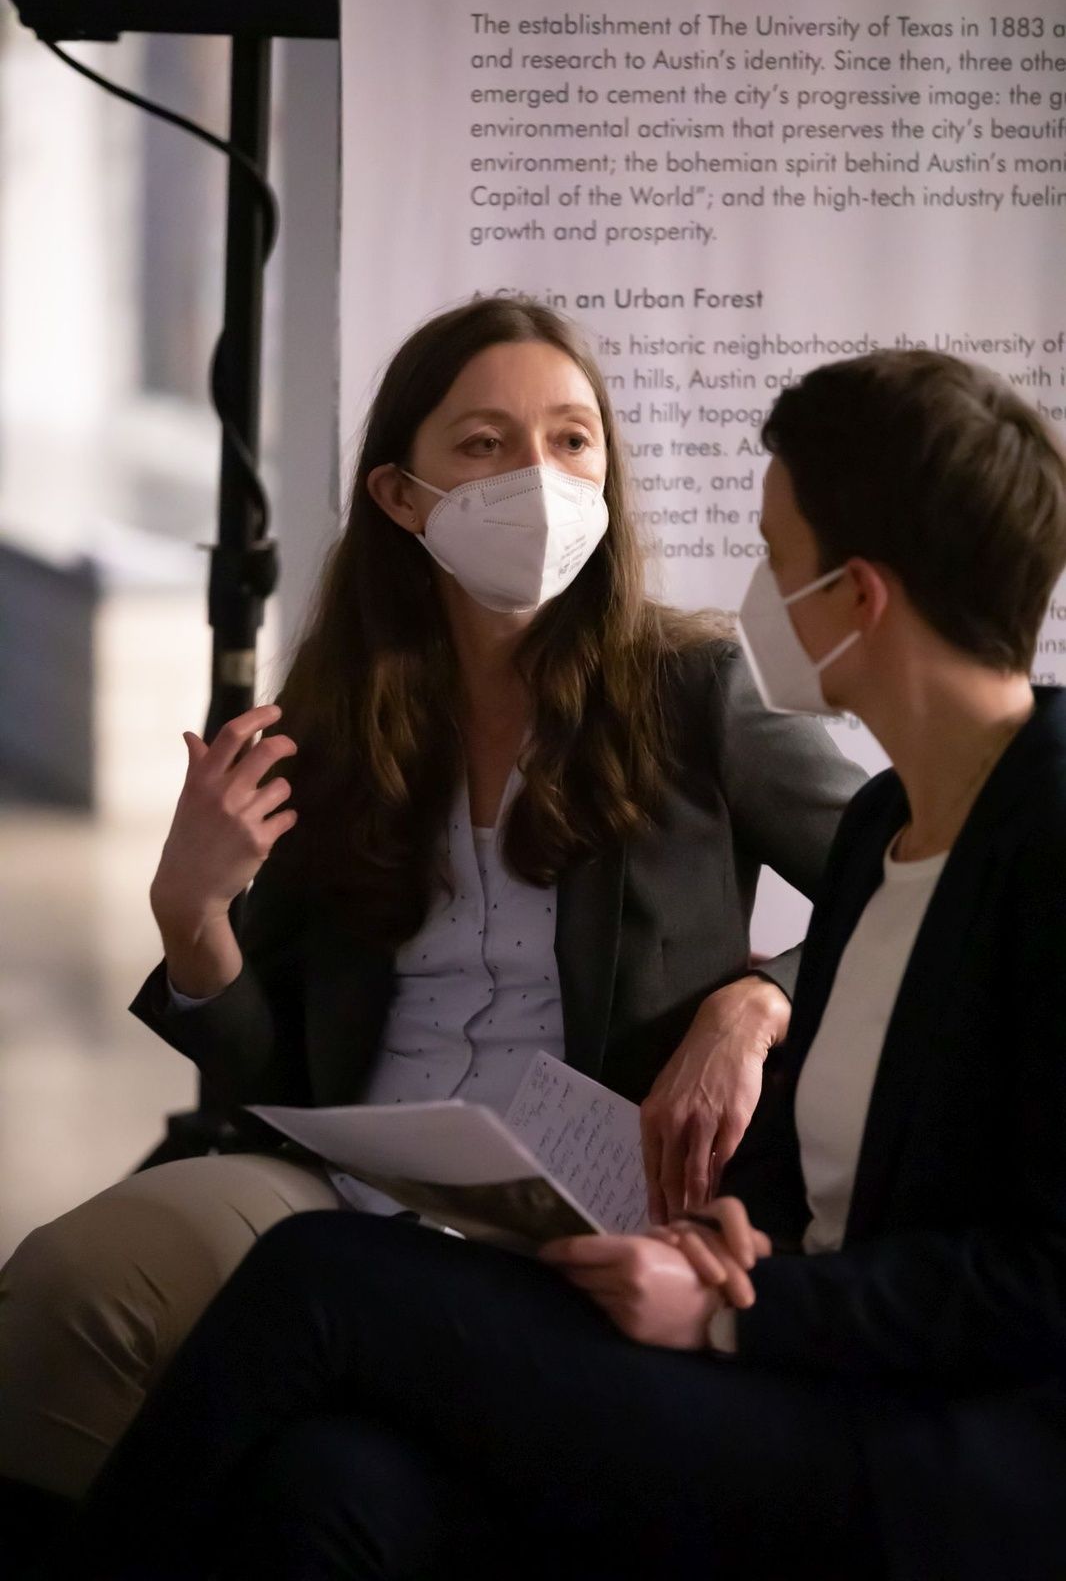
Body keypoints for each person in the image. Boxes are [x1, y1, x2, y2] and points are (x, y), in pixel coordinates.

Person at [59, 347, 1066, 1581]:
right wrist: (727, 1237)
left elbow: (1040, 1282)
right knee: (328, 1487)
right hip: (785, 1350)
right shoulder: (885, 827)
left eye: (770, 555)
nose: (753, 593)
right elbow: (833, 1174)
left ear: (856, 597)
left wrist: (732, 1305)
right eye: (485, 442)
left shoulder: (1039, 839)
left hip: (917, 1442)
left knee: (313, 1279)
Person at [0, 296, 862, 1501]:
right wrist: (193, 922)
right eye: (484, 443)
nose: (537, 477)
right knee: (66, 1280)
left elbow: (904, 899)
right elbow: (272, 1074)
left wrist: (755, 1005)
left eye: (570, 439)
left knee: (329, 1473)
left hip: (586, 1222)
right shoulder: (336, 714)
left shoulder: (699, 685)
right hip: (347, 1191)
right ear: (401, 496)